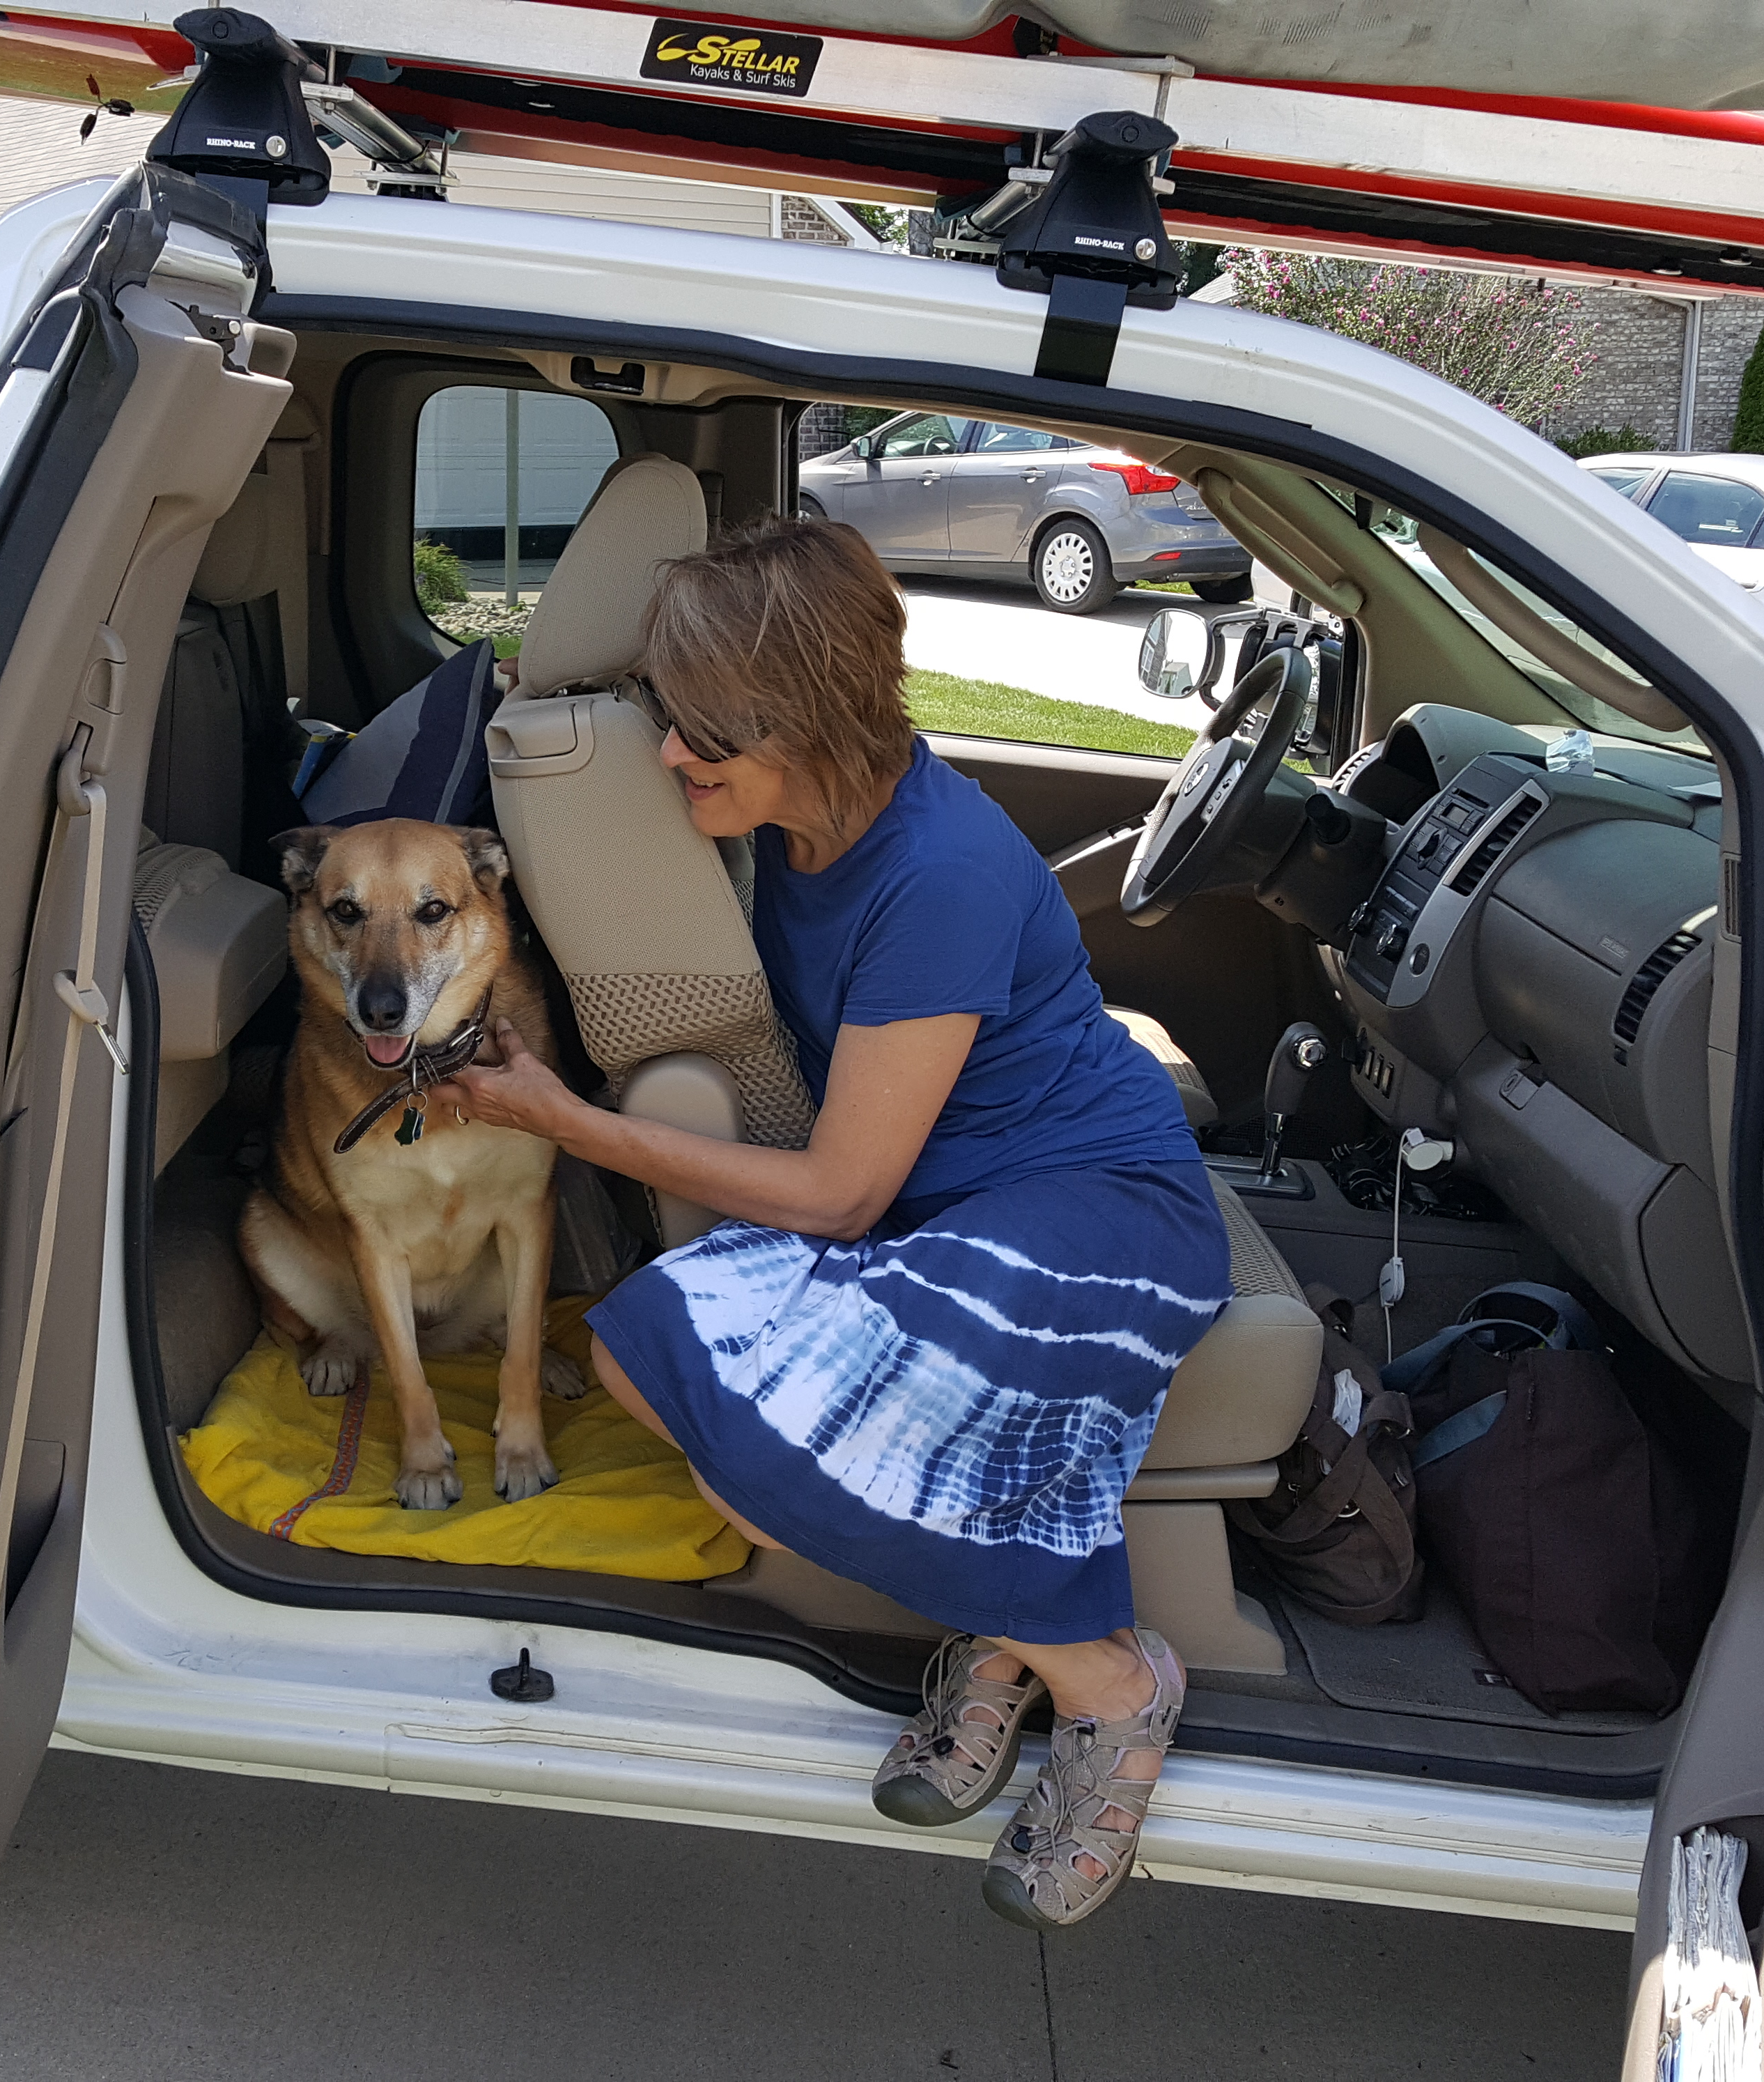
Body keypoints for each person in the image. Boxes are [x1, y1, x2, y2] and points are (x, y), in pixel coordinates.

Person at [440, 515, 1232, 1929]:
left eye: (697, 736)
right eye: (658, 722)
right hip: (950, 1207)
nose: (669, 757)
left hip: (1098, 1217)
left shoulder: (936, 875)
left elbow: (842, 1196)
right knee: (645, 1347)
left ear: (799, 726)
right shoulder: (793, 826)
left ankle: (1105, 1680)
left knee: (760, 1463)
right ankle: (1008, 1641)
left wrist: (559, 1119)